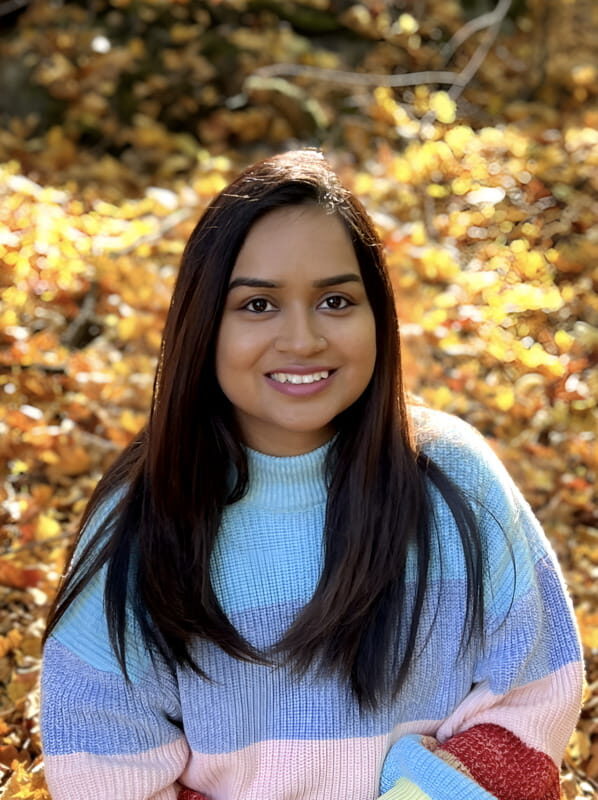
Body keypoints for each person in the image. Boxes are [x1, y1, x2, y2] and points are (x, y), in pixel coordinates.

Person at [41, 149, 583, 800]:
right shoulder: (143, 513)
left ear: (377, 314)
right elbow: (103, 761)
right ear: (203, 323)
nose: (302, 340)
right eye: (258, 305)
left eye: (335, 300)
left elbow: (534, 693)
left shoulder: (454, 478)